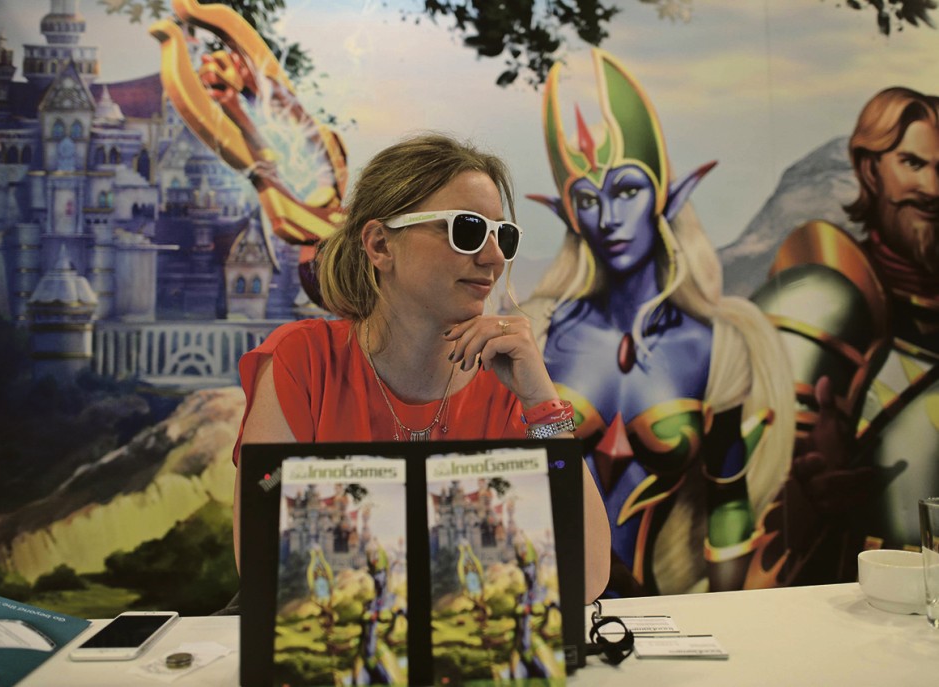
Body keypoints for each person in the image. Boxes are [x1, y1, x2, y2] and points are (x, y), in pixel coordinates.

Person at [232, 132, 611, 603]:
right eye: (467, 229)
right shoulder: (303, 362)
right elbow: (265, 566)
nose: (494, 257)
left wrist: (542, 406)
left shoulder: (508, 380)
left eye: (503, 235)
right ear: (380, 245)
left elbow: (586, 578)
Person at [524, 49, 794, 596]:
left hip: (670, 609)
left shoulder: (717, 346)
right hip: (553, 603)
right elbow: (514, 472)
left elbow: (728, 500)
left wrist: (730, 618)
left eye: (626, 190)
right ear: (571, 215)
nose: (608, 218)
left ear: (663, 198)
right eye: (587, 199)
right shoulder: (539, 333)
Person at [752, 86, 939, 582]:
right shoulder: (822, 300)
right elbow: (756, 512)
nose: (932, 188)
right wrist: (812, 488)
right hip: (859, 595)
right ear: (870, 170)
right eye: (913, 164)